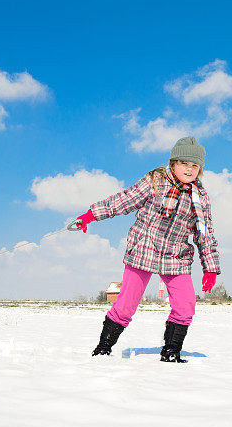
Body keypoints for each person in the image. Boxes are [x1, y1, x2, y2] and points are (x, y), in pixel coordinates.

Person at [74, 136, 221, 362]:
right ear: (173, 163)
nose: (189, 169)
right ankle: (103, 348)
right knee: (125, 306)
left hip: (176, 256)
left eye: (194, 165)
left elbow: (205, 234)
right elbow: (124, 200)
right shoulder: (155, 181)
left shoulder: (200, 198)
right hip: (144, 248)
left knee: (186, 306)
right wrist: (91, 216)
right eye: (184, 164)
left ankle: (171, 352)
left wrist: (210, 269)